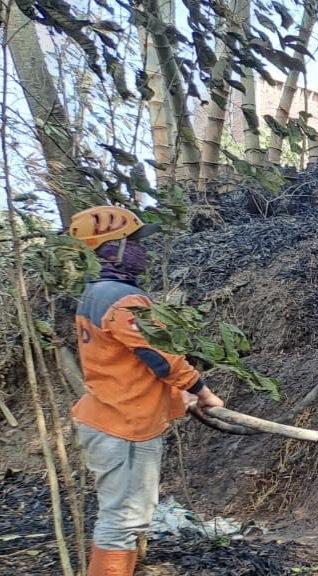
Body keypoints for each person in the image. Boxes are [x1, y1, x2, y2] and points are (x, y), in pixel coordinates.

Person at [68, 206, 224, 576]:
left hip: (116, 418)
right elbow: (161, 358)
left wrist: (176, 399)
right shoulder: (124, 301)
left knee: (126, 517)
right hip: (122, 427)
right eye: (135, 243)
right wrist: (202, 392)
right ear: (113, 248)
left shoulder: (95, 294)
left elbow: (126, 365)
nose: (143, 251)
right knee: (121, 521)